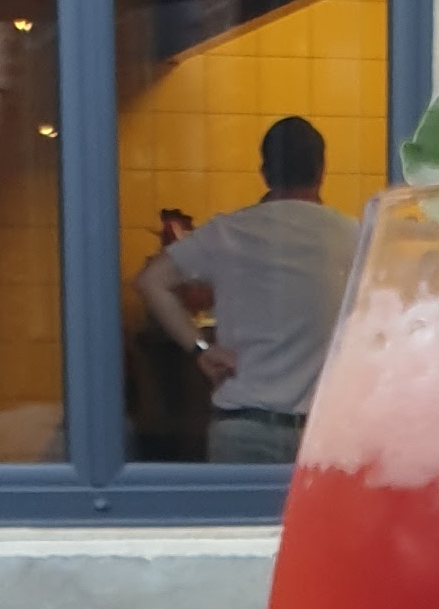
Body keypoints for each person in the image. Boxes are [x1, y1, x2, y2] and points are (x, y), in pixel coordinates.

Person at [134, 118, 357, 464]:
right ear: (321, 169)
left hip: (242, 429)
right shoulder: (351, 235)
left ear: (265, 173)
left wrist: (200, 349)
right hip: (319, 434)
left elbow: (151, 280)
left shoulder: (228, 232)